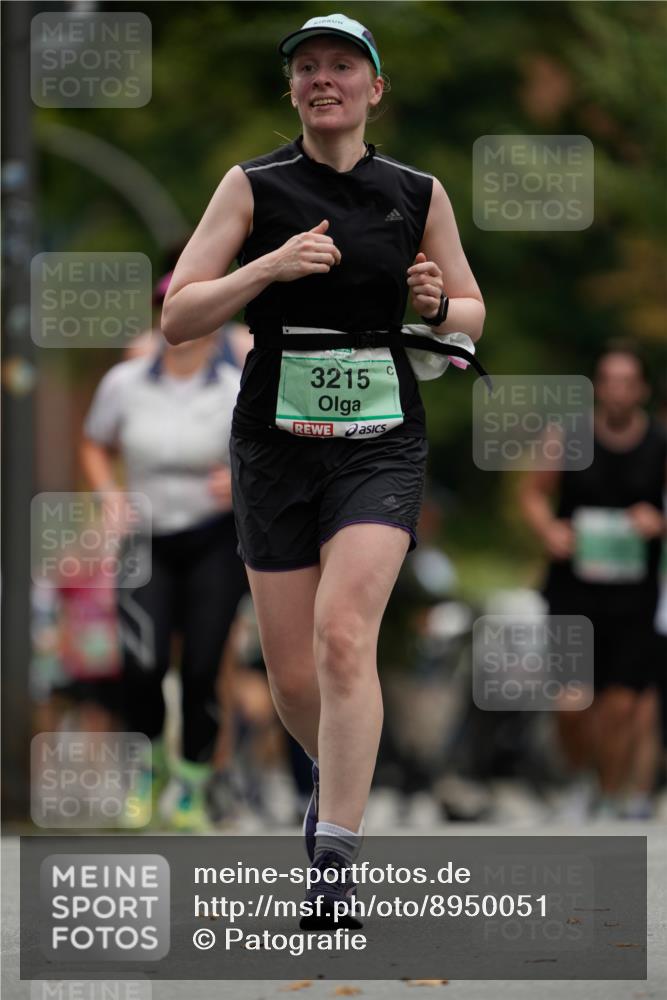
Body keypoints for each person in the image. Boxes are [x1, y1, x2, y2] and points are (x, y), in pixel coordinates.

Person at [161, 13, 485, 923]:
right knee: (294, 677)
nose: (322, 79)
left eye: (342, 65)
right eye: (306, 67)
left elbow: (468, 313)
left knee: (347, 637)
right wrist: (267, 265)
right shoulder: (251, 186)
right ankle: (334, 788)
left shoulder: (415, 190)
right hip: (272, 443)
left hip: (380, 438)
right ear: (292, 90)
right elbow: (180, 317)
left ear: (374, 88)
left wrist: (436, 303)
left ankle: (335, 860)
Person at [80, 274, 248, 831]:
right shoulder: (125, 383)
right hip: (145, 539)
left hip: (213, 538)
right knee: (140, 661)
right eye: (168, 311)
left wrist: (241, 481)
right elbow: (95, 442)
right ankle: (148, 769)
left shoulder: (234, 386)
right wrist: (108, 496)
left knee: (202, 665)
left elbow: (272, 453)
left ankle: (192, 788)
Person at [520, 342, 667, 819]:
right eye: (609, 380)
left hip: (633, 591)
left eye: (628, 381)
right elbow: (533, 494)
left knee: (621, 705)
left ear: (642, 388)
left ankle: (607, 793)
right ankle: (580, 776)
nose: (618, 390)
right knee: (570, 701)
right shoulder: (567, 436)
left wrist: (658, 520)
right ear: (597, 387)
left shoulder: (660, 442)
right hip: (572, 587)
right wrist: (549, 529)